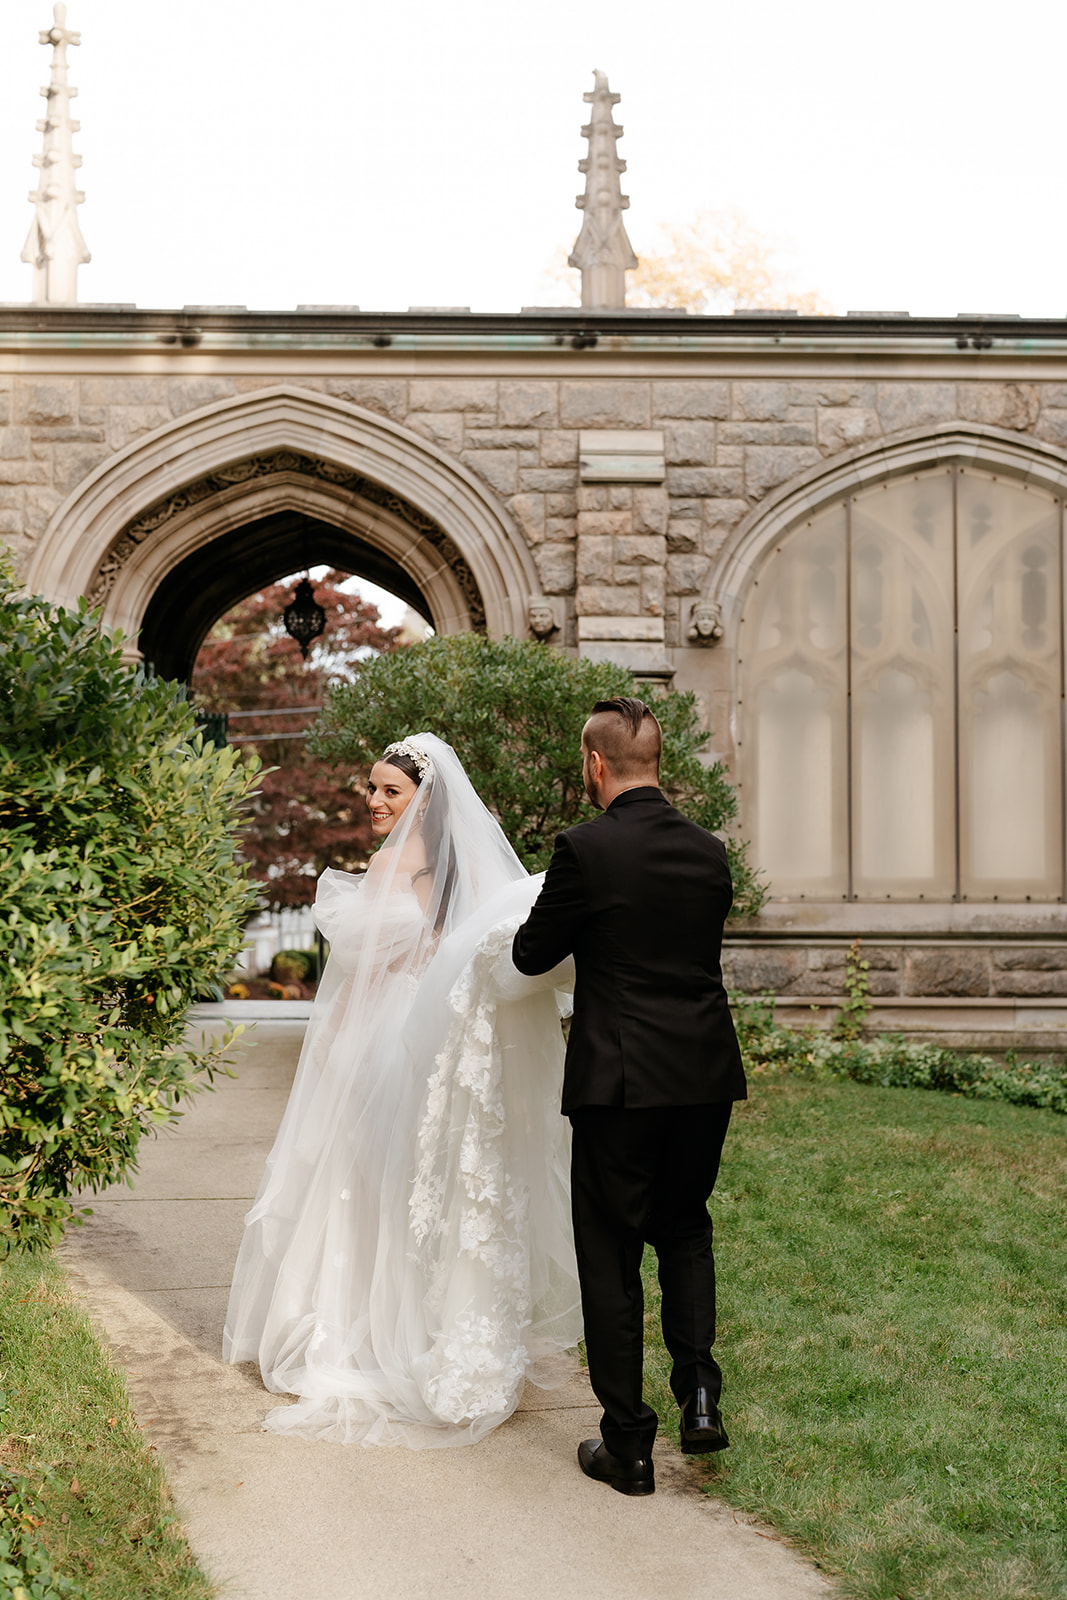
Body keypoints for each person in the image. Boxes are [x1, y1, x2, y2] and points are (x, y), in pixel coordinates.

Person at [223, 733, 581, 1447]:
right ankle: (426, 1329)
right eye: (372, 788)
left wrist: (328, 1054)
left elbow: (363, 984)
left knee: (367, 1185)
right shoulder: (465, 873)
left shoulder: (393, 866)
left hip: (387, 1042)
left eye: (390, 790)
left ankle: (364, 1333)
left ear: (423, 798)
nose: (375, 801)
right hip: (440, 1042)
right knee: (426, 1186)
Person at [513, 697, 746, 1497]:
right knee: (684, 1229)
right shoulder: (709, 852)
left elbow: (530, 952)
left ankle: (628, 1446)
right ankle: (701, 1394)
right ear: (658, 764)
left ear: (596, 765)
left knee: (609, 1255)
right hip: (704, 1073)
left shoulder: (584, 850)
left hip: (618, 1081)